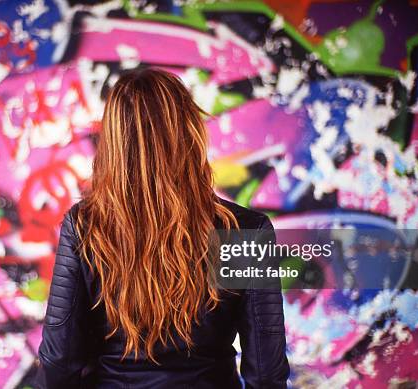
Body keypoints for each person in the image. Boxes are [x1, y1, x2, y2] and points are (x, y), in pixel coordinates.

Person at [36, 67, 289, 388]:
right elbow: (266, 374)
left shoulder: (86, 226)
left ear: (113, 141)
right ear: (190, 133)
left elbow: (59, 361)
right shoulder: (243, 230)